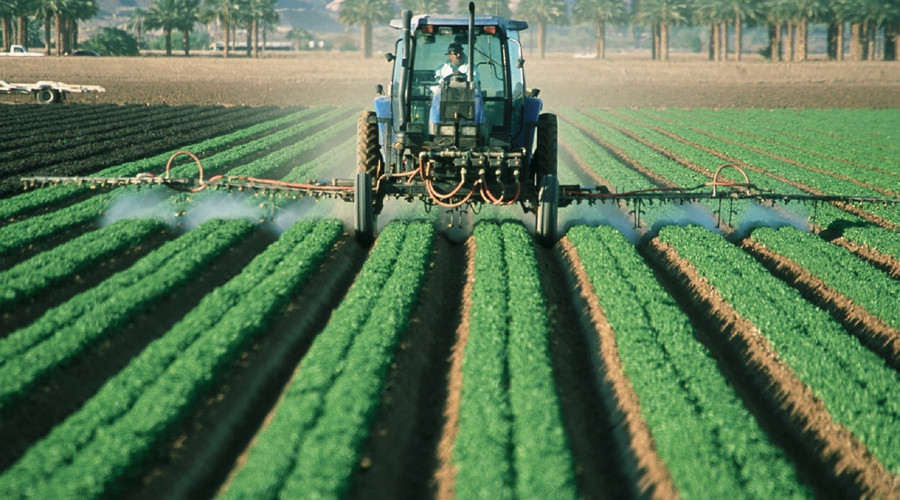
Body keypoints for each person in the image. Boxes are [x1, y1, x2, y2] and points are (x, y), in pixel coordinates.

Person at [430, 42, 482, 133]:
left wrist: (461, 78)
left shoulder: (471, 68)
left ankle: (476, 128)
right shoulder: (441, 70)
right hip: (446, 97)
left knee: (477, 96)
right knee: (437, 96)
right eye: (455, 53)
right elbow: (435, 85)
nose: (458, 55)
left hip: (466, 96)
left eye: (460, 53)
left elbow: (475, 81)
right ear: (449, 55)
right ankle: (435, 129)